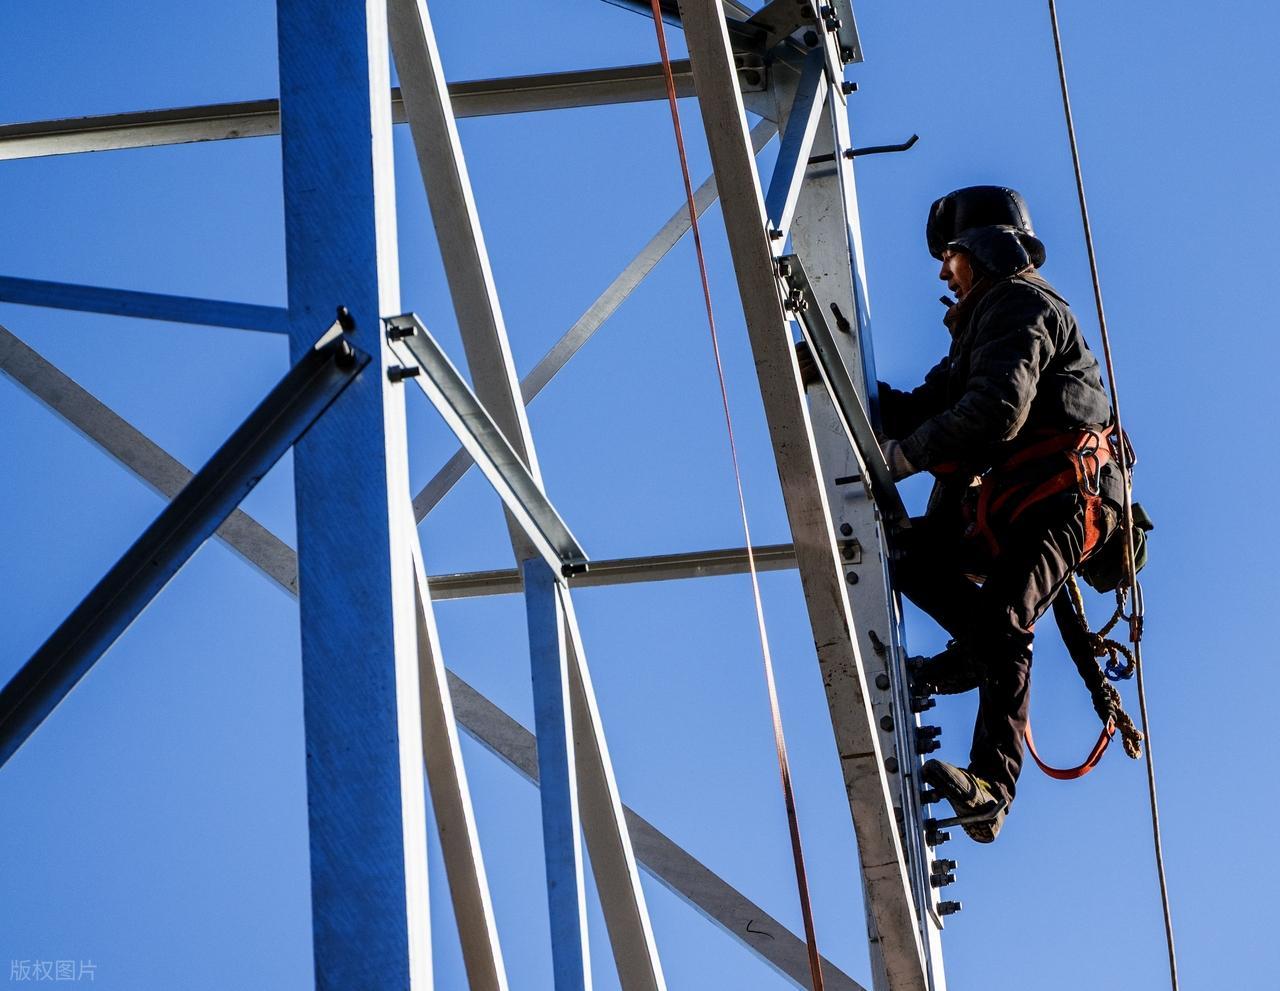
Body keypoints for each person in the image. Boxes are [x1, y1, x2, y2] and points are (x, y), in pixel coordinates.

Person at [877, 186, 1125, 842]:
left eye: (950, 256)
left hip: (1062, 503)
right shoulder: (984, 323)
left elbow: (995, 411)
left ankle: (992, 788)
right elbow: (924, 406)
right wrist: (835, 380)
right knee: (906, 556)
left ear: (983, 248)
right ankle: (973, 658)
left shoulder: (1022, 306)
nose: (943, 273)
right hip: (1014, 503)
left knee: (1005, 618)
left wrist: (902, 457)